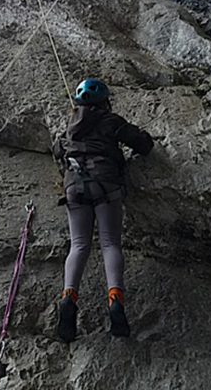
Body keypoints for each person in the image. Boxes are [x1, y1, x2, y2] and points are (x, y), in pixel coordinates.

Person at [52, 78, 154, 343]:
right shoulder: (111, 121)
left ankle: (68, 298)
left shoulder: (69, 127)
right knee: (110, 244)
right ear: (104, 102)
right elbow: (142, 144)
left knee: (78, 245)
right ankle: (115, 300)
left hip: (74, 187)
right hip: (106, 184)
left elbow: (57, 152)